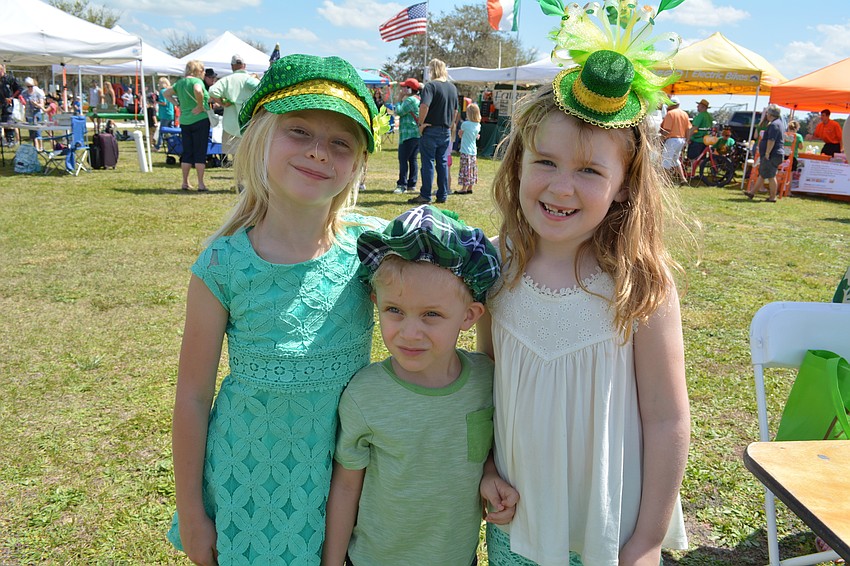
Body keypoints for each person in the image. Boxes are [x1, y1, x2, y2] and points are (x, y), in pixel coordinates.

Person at [479, 3, 691, 564]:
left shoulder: (640, 283)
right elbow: (487, 382)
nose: (561, 187)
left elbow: (667, 419)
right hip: (519, 523)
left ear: (624, 186)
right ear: (518, 165)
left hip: (609, 531)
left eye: (590, 171)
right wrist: (487, 466)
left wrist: (647, 540)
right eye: (545, 162)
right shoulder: (496, 263)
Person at [167, 53, 384, 566]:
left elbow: (462, 267)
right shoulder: (221, 264)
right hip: (248, 481)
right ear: (261, 136)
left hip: (348, 479)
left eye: (341, 142)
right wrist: (192, 513)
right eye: (299, 131)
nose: (319, 152)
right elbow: (193, 397)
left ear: (358, 162)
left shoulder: (375, 250)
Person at [323, 205, 517, 566]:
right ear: (376, 303)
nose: (410, 333)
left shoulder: (485, 381)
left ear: (469, 315)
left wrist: (490, 473)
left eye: (431, 314)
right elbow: (347, 487)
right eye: (395, 310)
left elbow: (480, 451)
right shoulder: (365, 395)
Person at [408, 58, 458, 205]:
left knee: (428, 163)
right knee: (442, 163)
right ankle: (442, 194)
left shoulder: (430, 86)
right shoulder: (452, 88)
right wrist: (450, 125)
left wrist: (420, 123)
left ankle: (425, 195)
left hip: (431, 129)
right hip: (445, 130)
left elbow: (424, 106)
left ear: (432, 70)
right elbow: (455, 111)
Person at [164, 60, 211, 192]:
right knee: (200, 151)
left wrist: (177, 104)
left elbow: (166, 93)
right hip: (200, 119)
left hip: (185, 120)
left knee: (187, 152)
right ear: (198, 71)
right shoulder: (196, 81)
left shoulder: (180, 83)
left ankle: (185, 182)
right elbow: (197, 90)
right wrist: (200, 106)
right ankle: (201, 184)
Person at [208, 53, 260, 159]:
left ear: (232, 66)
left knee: (235, 157)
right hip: (249, 123)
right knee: (249, 155)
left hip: (230, 125)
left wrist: (222, 103)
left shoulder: (227, 80)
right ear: (244, 65)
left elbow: (212, 91)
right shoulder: (250, 80)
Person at [745, 104, 785, 203]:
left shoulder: (774, 125)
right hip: (775, 154)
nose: (766, 115)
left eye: (767, 113)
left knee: (771, 176)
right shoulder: (778, 123)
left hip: (772, 154)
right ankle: (752, 193)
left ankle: (772, 197)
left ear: (770, 114)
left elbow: (771, 140)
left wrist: (767, 153)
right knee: (763, 174)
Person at [392, 77, 421, 195]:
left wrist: (399, 99)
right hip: (416, 134)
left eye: (404, 87)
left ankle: (402, 185)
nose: (402, 89)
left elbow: (398, 111)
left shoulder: (409, 100)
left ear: (410, 89)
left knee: (403, 159)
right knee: (413, 159)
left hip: (408, 135)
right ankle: (411, 184)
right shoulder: (418, 99)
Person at [660, 95, 690, 182]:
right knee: (675, 160)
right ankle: (682, 178)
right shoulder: (684, 114)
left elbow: (667, 130)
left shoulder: (670, 114)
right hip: (682, 139)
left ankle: (664, 180)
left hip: (672, 140)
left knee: (665, 160)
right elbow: (688, 129)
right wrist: (687, 140)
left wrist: (661, 139)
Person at [456, 102, 481, 195]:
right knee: (472, 169)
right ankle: (470, 187)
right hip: (473, 150)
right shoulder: (478, 125)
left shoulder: (465, 124)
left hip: (465, 149)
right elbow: (476, 136)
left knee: (465, 168)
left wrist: (459, 133)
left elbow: (460, 134)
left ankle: (464, 188)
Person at [22, 77, 46, 151]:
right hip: (29, 114)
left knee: (38, 131)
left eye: (31, 86)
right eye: (28, 86)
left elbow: (42, 105)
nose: (30, 88)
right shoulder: (24, 93)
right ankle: (35, 147)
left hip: (37, 113)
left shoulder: (38, 92)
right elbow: (22, 102)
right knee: (32, 131)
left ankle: (41, 147)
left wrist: (36, 104)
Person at [1, 64, 22, 146]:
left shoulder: (10, 78)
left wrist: (12, 97)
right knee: (3, 121)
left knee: (8, 121)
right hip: (1, 103)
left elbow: (19, 89)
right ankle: (3, 140)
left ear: (2, 70)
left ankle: (11, 139)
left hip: (9, 104)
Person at [155, 77, 175, 150]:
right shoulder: (169, 91)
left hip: (165, 113)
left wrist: (156, 102)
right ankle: (175, 143)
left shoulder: (162, 92)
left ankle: (158, 146)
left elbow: (163, 103)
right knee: (172, 130)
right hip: (171, 113)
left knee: (162, 130)